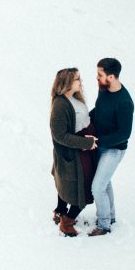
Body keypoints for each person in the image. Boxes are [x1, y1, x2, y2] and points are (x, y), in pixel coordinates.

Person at [49, 68, 98, 237]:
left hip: (84, 151)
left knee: (67, 185)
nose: (80, 81)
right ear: (67, 83)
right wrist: (85, 143)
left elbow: (82, 119)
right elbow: (60, 135)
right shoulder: (60, 105)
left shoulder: (75, 98)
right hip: (75, 153)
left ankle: (60, 211)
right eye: (77, 79)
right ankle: (67, 222)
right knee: (83, 188)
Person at [88, 57, 134, 237]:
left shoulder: (124, 102)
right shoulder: (104, 89)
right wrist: (85, 119)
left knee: (97, 186)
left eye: (100, 75)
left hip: (114, 149)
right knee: (104, 182)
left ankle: (104, 225)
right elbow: (98, 110)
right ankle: (111, 216)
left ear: (111, 77)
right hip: (100, 144)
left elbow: (124, 134)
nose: (97, 78)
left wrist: (98, 142)